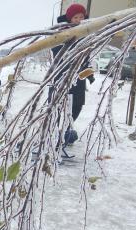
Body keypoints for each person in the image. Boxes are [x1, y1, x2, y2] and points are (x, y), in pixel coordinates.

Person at [51, 3, 95, 145]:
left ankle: (66, 128)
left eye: (81, 17)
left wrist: (90, 74)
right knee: (57, 104)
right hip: (61, 76)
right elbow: (56, 50)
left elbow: (87, 56)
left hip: (79, 77)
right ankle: (55, 131)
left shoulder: (86, 32)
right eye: (75, 17)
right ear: (70, 18)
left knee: (77, 104)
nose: (78, 20)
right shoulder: (62, 31)